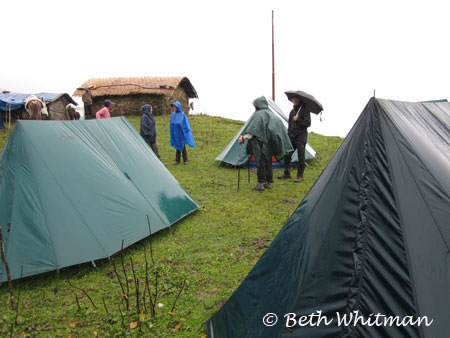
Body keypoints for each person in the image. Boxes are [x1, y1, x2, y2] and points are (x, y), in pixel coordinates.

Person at [238, 96, 293, 191]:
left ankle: (260, 184)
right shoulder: (271, 114)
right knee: (268, 163)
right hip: (269, 144)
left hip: (260, 144)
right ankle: (268, 183)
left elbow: (252, 132)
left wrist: (243, 138)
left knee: (261, 163)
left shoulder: (258, 115)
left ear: (257, 105)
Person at [278, 94, 311, 182]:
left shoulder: (305, 110)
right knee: (288, 154)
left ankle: (300, 176)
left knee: (301, 156)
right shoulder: (292, 112)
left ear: (300, 100)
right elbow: (290, 125)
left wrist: (298, 120)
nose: (294, 100)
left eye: (296, 99)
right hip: (292, 137)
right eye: (293, 99)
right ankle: (287, 173)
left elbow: (308, 123)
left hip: (301, 138)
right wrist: (289, 134)